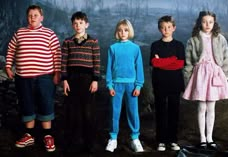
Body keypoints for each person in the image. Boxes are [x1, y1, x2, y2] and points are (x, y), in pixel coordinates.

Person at [5, 5, 61, 152]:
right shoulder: (19, 33)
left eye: (36, 15)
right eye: (30, 15)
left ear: (42, 17)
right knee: (27, 104)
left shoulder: (49, 34)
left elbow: (57, 54)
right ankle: (29, 135)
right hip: (23, 77)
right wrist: (8, 66)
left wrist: (57, 73)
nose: (32, 17)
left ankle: (47, 135)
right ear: (27, 17)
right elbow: (11, 50)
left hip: (45, 77)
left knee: (45, 103)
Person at [182, 11, 228, 150]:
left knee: (211, 107)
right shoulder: (193, 39)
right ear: (200, 22)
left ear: (214, 22)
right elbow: (188, 61)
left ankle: (210, 137)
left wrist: (225, 75)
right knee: (202, 106)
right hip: (200, 75)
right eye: (204, 21)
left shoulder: (220, 38)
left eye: (210, 22)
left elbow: (226, 57)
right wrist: (188, 77)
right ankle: (202, 138)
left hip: (215, 73)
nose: (207, 24)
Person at [61, 11, 100, 153]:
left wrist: (95, 80)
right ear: (72, 25)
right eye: (75, 23)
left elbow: (96, 62)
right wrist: (64, 80)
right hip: (72, 80)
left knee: (88, 112)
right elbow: (63, 62)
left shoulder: (93, 42)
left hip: (87, 80)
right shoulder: (67, 42)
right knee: (73, 112)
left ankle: (88, 143)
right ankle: (73, 142)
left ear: (86, 24)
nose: (78, 26)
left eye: (81, 23)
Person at [105, 19, 144, 153]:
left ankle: (135, 138)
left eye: (126, 30)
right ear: (117, 32)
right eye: (120, 30)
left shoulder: (135, 48)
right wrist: (110, 85)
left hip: (131, 85)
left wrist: (138, 86)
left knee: (133, 112)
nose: (123, 33)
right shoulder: (112, 48)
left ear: (130, 31)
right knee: (114, 112)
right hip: (116, 84)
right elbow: (109, 69)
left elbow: (139, 68)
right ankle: (113, 138)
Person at [150, 15, 185, 151]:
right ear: (160, 29)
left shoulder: (179, 45)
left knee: (174, 112)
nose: (166, 30)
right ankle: (161, 141)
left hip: (175, 83)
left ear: (174, 28)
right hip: (159, 83)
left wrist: (162, 62)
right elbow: (154, 63)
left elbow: (180, 64)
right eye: (163, 27)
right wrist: (172, 59)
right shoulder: (155, 45)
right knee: (160, 112)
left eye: (169, 27)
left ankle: (173, 140)